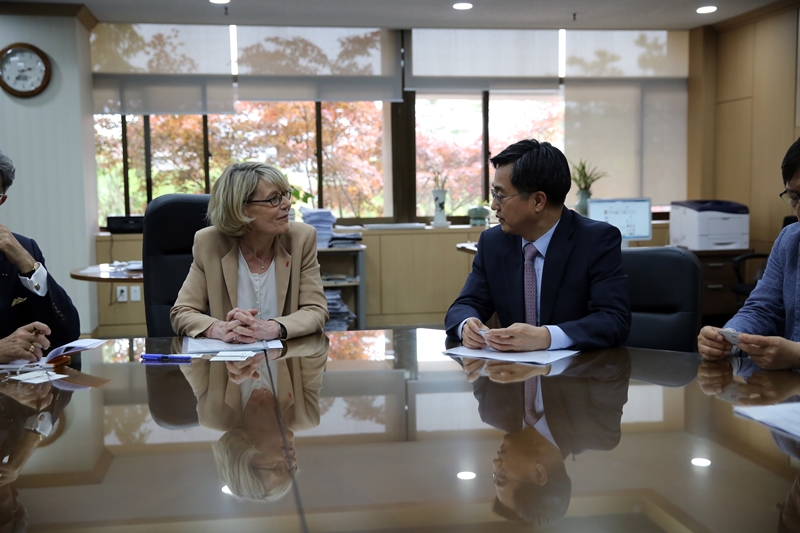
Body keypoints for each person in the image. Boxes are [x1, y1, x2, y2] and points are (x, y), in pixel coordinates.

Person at [444, 139, 631, 351]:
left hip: (578, 375)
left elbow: (614, 320)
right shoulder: (493, 243)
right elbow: (464, 305)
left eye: (500, 195)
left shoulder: (596, 240)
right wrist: (466, 324)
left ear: (538, 201)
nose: (494, 205)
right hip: (513, 376)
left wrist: (547, 337)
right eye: (493, 194)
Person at [171, 162, 328, 341]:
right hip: (230, 363)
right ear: (241, 208)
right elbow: (182, 312)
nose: (287, 204)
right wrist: (219, 329)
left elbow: (316, 311)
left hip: (285, 361)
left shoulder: (301, 238)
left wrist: (273, 328)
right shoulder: (209, 243)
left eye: (285, 195)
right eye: (274, 199)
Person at [697, 137, 800, 370]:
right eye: (795, 198)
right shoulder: (790, 240)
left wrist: (797, 354)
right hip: (786, 395)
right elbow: (762, 309)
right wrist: (728, 338)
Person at [0, 150, 80, 364]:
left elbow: (67, 334)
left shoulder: (22, 249)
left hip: (16, 387)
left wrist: (28, 265)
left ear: (2, 200)